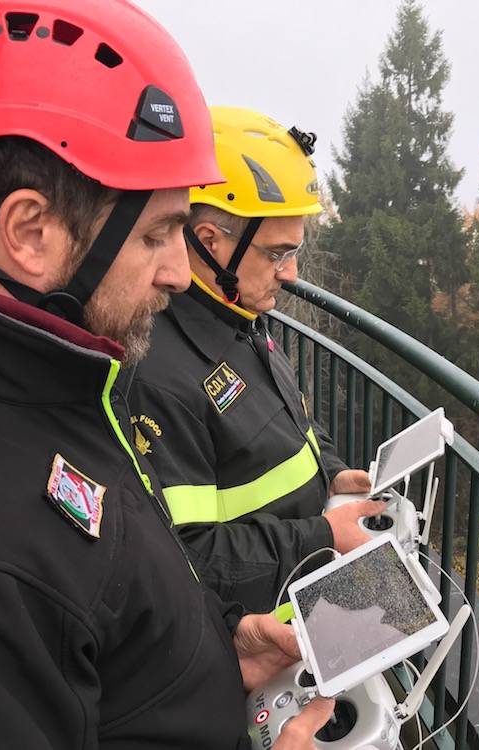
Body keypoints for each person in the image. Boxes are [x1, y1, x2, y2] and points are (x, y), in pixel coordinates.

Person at [0, 2, 331, 747]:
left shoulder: (49, 380)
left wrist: (216, 656)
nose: (181, 273)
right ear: (31, 233)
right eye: (158, 234)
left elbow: (92, 628)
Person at [128, 107, 386, 614]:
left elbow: (291, 419)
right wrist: (319, 537)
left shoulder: (235, 311)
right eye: (277, 253)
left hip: (307, 595)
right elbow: (186, 556)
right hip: (264, 640)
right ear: (209, 242)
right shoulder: (159, 375)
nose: (290, 274)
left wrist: (332, 474)